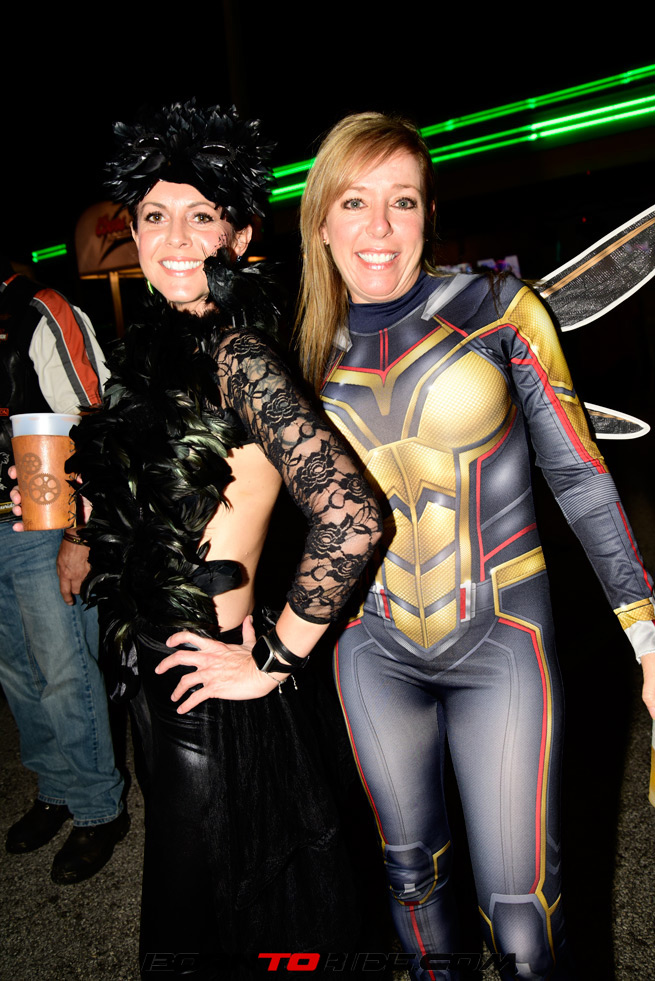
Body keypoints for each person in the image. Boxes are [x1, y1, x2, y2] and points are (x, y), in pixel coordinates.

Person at [21, 102, 381, 979]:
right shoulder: (157, 347)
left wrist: (275, 657)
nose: (175, 239)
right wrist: (88, 536)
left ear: (239, 234)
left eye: (201, 216)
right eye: (155, 215)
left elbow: (352, 516)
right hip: (158, 668)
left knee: (222, 914)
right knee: (207, 903)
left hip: (214, 681)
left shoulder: (238, 355)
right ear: (133, 232)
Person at [295, 112, 655, 981]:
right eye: (354, 201)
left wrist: (646, 633)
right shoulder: (293, 348)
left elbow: (578, 475)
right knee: (413, 892)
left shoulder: (498, 310)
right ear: (320, 219)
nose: (379, 227)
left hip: (501, 643)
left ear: (429, 213)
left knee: (524, 926)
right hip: (370, 650)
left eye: (402, 200)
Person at [0, 265, 126, 884]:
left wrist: (80, 535)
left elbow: (97, 420)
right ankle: (55, 787)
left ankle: (99, 807)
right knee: (17, 673)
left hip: (44, 515)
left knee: (63, 669)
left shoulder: (42, 308)